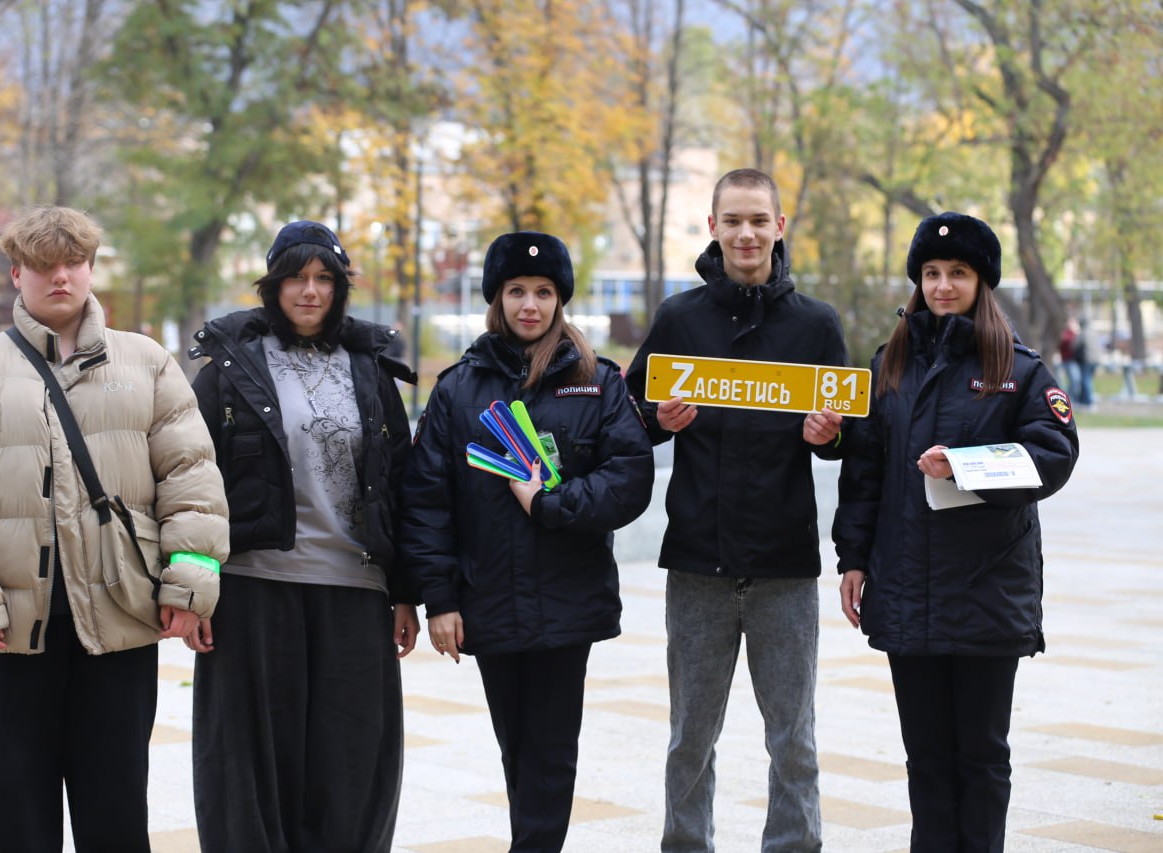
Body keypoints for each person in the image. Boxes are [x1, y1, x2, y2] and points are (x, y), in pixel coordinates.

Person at [0, 206, 230, 853]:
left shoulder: (147, 363)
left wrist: (190, 584)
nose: (60, 276)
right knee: (12, 803)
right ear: (16, 273)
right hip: (10, 626)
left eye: (73, 262)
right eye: (43, 264)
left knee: (115, 803)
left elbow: (191, 479)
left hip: (119, 614)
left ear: (90, 269)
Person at [832, 212, 1079, 851]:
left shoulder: (1020, 369)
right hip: (905, 588)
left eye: (958, 273)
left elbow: (1055, 453)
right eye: (932, 273)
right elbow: (864, 472)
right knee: (927, 758)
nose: (943, 286)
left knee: (982, 757)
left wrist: (967, 467)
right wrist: (853, 559)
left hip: (986, 593)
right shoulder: (889, 365)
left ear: (981, 282)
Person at [401, 231, 654, 852]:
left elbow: (629, 480)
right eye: (517, 291)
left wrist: (550, 503)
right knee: (517, 749)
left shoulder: (599, 382)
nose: (530, 305)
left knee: (551, 754)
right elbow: (427, 501)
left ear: (560, 300)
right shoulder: (457, 388)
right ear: (497, 299)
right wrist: (440, 599)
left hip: (568, 603)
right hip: (488, 598)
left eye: (543, 292)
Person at [624, 168, 848, 853]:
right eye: (733, 220)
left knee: (794, 738)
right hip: (698, 562)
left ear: (779, 227)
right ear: (713, 227)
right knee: (689, 738)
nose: (745, 233)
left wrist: (831, 435)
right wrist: (658, 420)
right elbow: (630, 419)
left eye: (758, 220)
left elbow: (849, 434)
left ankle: (795, 844)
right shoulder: (679, 318)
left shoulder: (816, 324)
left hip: (785, 565)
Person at [187, 220, 419, 853]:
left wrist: (406, 590)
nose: (310, 291)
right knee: (249, 765)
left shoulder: (371, 369)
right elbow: (188, 482)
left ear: (340, 288)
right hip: (252, 588)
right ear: (274, 285)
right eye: (296, 277)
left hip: (354, 589)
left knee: (351, 767)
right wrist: (191, 587)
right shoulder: (229, 367)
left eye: (324, 279)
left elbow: (401, 481)